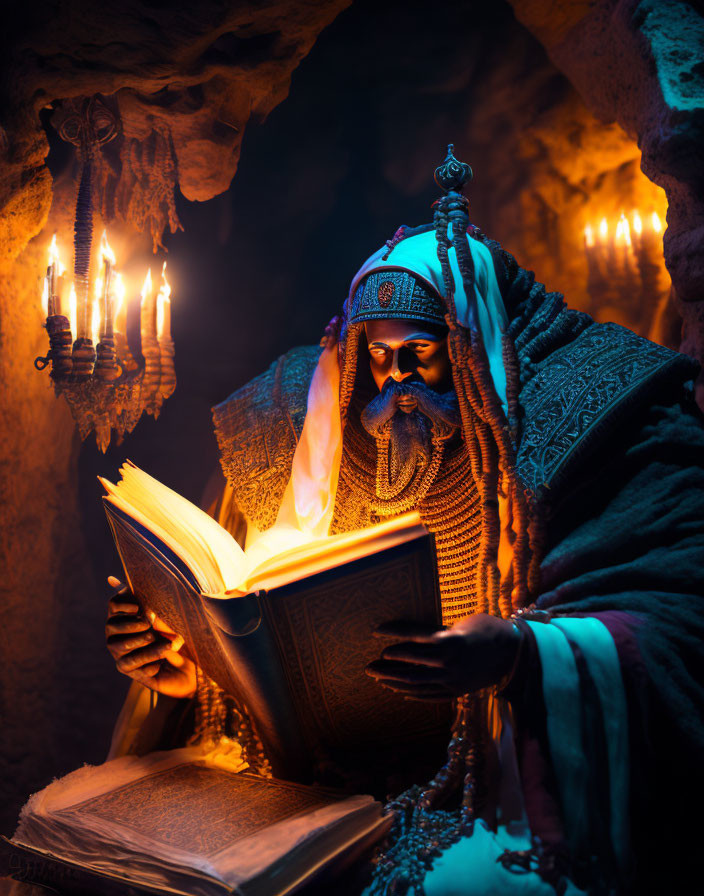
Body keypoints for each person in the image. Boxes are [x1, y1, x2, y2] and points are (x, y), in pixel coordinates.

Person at [105, 146, 704, 894]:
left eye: (422, 353)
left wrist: (523, 654)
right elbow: (256, 652)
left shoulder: (601, 421)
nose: (401, 381)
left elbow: (680, 623)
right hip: (304, 787)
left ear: (471, 350)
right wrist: (182, 668)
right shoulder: (292, 430)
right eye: (381, 360)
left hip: (487, 782)